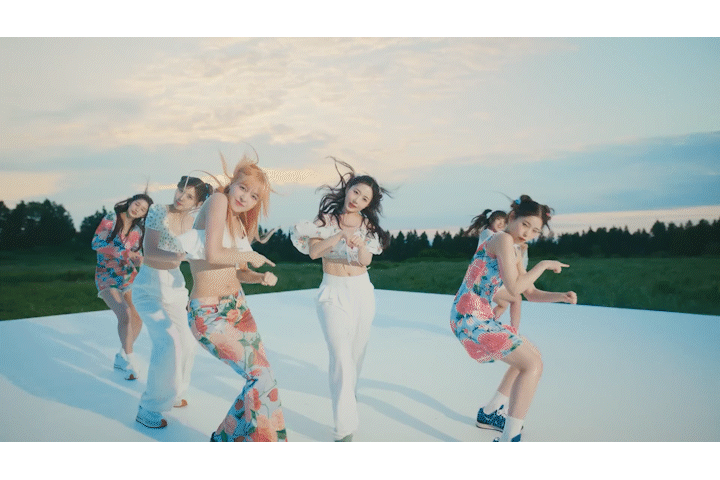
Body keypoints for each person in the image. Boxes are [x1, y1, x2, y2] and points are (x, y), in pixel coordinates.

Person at [178, 153, 287, 442]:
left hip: (238, 307)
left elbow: (238, 271)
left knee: (262, 378)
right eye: (243, 188)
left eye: (254, 196)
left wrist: (259, 277)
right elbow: (213, 254)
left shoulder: (238, 224)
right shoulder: (218, 200)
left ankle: (225, 437)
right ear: (232, 183)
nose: (245, 198)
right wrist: (251, 255)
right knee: (260, 377)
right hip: (209, 312)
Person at [450, 195, 577, 442]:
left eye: (535, 231)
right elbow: (514, 287)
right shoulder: (502, 239)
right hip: (470, 316)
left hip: (479, 315)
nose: (528, 233)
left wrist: (560, 296)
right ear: (512, 218)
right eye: (525, 225)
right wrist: (542, 265)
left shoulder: (515, 251)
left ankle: (488, 413)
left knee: (530, 356)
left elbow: (530, 293)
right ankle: (510, 437)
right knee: (532, 365)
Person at [290, 158, 390, 442]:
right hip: (332, 292)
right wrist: (338, 236)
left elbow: (366, 260)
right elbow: (313, 252)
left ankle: (348, 393)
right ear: (347, 189)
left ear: (369, 204)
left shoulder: (368, 226)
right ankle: (345, 428)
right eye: (355, 192)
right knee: (341, 356)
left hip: (361, 291)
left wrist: (360, 244)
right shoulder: (325, 220)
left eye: (364, 198)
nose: (357, 199)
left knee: (356, 354)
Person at [133, 176, 213, 429]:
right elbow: (150, 252)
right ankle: (149, 408)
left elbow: (203, 258)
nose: (181, 197)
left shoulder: (193, 223)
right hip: (149, 289)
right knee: (167, 343)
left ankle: (175, 392)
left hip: (176, 290)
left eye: (189, 196)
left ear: (197, 203)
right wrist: (184, 255)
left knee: (188, 342)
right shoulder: (158, 211)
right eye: (180, 190)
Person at [92, 193, 153, 380]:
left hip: (128, 275)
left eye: (143, 209)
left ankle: (122, 355)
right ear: (130, 202)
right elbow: (96, 243)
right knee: (124, 314)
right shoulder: (111, 219)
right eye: (137, 204)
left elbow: (136, 254)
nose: (137, 209)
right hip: (107, 275)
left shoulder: (138, 230)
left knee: (137, 317)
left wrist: (140, 261)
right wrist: (125, 253)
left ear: (144, 214)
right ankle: (130, 359)